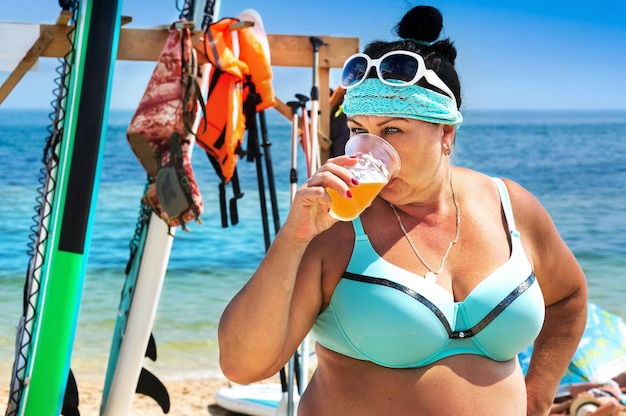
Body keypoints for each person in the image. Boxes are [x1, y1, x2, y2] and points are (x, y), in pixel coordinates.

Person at [218, 5, 588, 415]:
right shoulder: (336, 225)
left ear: (445, 132)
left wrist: (536, 397)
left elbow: (568, 296)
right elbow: (243, 365)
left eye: (393, 129)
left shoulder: (508, 205)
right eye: (359, 130)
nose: (372, 149)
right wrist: (293, 237)